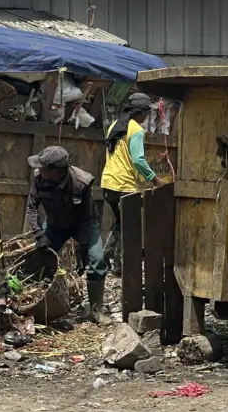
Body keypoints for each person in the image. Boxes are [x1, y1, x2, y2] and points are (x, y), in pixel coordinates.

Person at [25, 146, 109, 323]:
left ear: (55, 171)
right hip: (56, 225)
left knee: (97, 260)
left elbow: (88, 217)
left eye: (43, 167)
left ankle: (96, 310)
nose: (39, 170)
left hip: (83, 224)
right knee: (40, 259)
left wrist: (82, 247)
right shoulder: (39, 179)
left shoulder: (81, 182)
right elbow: (31, 207)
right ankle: (35, 307)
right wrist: (39, 234)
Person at [101, 93, 164, 275]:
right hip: (124, 185)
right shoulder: (135, 130)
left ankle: (105, 258)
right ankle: (119, 266)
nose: (146, 117)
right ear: (140, 112)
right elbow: (138, 160)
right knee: (129, 227)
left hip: (108, 183)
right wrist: (154, 178)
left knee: (121, 223)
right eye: (146, 113)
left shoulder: (114, 126)